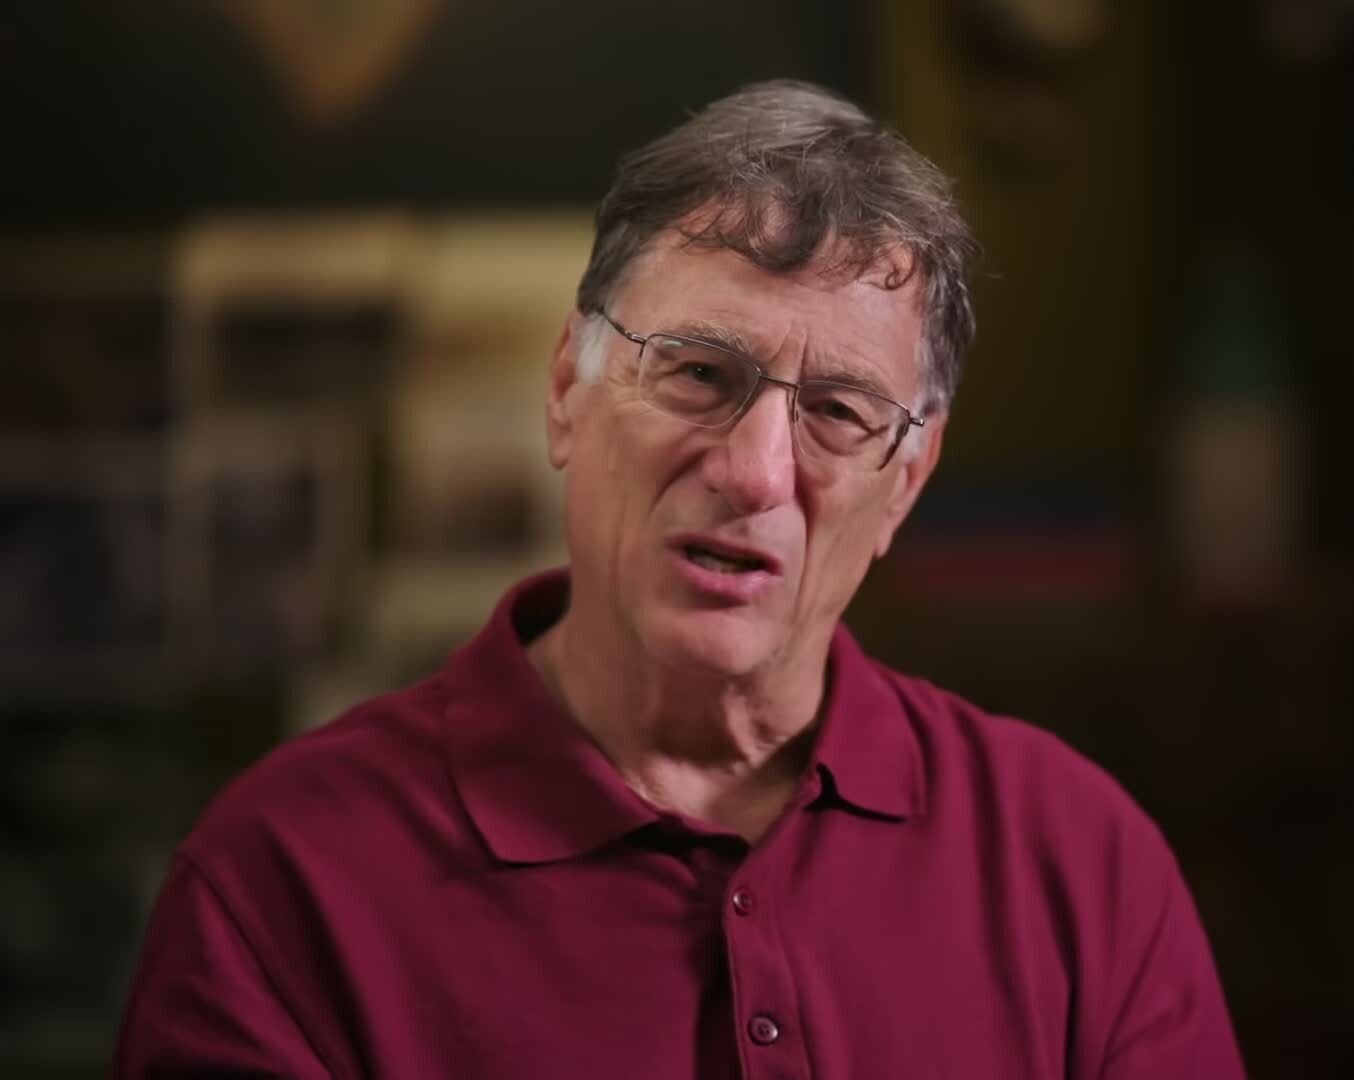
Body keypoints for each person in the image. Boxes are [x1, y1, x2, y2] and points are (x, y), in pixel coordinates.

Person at [114, 80, 1244, 1079]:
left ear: (906, 480)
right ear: (568, 388)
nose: (753, 472)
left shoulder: (1081, 865)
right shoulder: (277, 887)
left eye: (838, 413)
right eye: (700, 373)